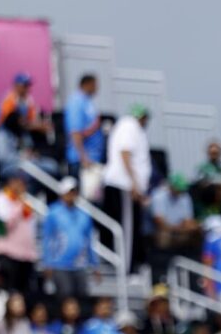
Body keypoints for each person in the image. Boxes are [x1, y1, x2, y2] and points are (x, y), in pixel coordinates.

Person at [102, 104, 152, 273]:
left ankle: (126, 266)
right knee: (127, 231)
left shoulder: (129, 127)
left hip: (124, 185)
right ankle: (126, 268)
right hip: (124, 185)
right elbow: (125, 153)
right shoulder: (129, 126)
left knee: (129, 229)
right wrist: (134, 184)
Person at [0, 73, 58, 181]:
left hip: (19, 137)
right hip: (4, 133)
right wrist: (37, 126)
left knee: (50, 166)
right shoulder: (9, 99)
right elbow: (12, 122)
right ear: (17, 85)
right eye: (24, 85)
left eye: (28, 85)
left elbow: (30, 121)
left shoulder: (27, 101)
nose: (27, 88)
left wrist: (41, 125)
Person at [41, 176, 99, 303]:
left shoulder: (84, 215)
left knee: (82, 298)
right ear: (62, 193)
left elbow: (89, 241)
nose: (71, 194)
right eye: (69, 191)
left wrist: (94, 264)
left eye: (74, 191)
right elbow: (47, 239)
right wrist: (47, 262)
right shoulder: (53, 212)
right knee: (65, 297)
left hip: (80, 263)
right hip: (59, 264)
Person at [0, 170, 38, 295]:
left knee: (25, 293)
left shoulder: (25, 201)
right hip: (7, 253)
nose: (22, 186)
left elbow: (30, 227)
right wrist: (19, 205)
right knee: (9, 291)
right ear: (11, 182)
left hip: (25, 255)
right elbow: (3, 226)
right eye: (19, 182)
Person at [150, 173, 203, 255]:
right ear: (171, 186)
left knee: (197, 231)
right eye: (178, 189)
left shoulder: (185, 197)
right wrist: (176, 229)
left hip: (179, 229)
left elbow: (187, 219)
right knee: (164, 236)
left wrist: (189, 227)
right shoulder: (158, 196)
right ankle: (163, 263)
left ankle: (191, 259)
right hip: (164, 230)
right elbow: (159, 221)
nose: (180, 192)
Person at [64, 74, 104, 178]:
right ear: (87, 84)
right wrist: (83, 158)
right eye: (94, 85)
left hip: (93, 158)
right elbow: (75, 132)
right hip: (81, 161)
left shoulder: (87, 101)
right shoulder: (76, 102)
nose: (97, 88)